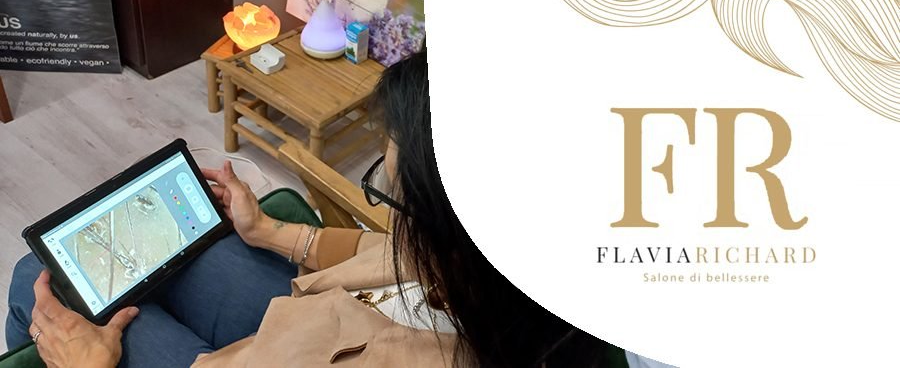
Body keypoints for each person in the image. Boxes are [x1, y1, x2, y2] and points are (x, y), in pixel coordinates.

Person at [6, 50, 669, 367]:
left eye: (399, 198)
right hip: (325, 318)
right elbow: (395, 258)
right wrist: (274, 232)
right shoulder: (527, 272)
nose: (395, 222)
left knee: (35, 284)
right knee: (175, 260)